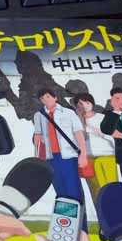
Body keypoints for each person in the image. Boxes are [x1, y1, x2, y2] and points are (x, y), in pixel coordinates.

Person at [32, 89, 88, 225]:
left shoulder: (68, 113)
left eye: (47, 97)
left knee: (74, 191)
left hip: (68, 157)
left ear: (55, 97)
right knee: (61, 193)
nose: (45, 100)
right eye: (42, 98)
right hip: (50, 158)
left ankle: (81, 227)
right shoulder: (39, 115)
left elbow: (79, 134)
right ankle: (67, 226)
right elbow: (38, 137)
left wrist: (83, 155)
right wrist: (36, 158)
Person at [73, 93, 117, 202]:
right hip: (88, 158)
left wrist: (97, 131)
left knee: (111, 187)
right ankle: (101, 211)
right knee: (95, 190)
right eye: (81, 104)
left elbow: (113, 136)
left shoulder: (101, 117)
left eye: (87, 103)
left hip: (106, 156)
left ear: (92, 103)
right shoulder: (76, 121)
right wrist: (81, 120)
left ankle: (116, 210)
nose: (85, 106)